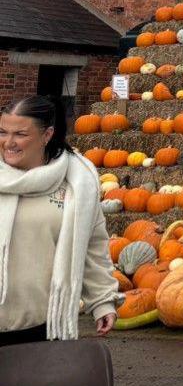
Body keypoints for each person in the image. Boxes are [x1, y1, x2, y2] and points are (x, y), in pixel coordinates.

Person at [0, 96, 120, 346]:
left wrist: (102, 300)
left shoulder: (77, 183)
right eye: (2, 132)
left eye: (20, 134)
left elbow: (92, 246)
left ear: (47, 135)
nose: (8, 143)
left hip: (38, 326)